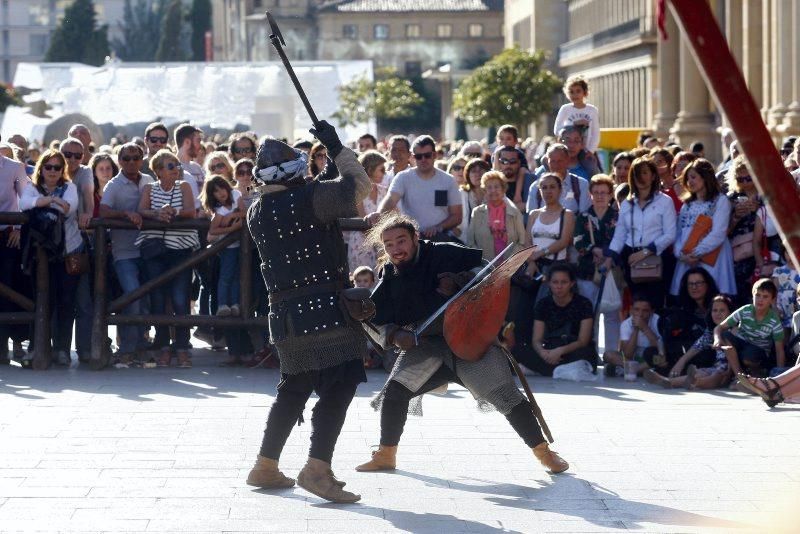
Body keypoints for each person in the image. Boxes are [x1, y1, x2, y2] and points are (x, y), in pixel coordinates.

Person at [355, 215, 568, 475]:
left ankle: (544, 453)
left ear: (415, 237)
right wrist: (395, 335)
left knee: (507, 396)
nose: (396, 249)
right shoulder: (389, 275)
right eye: (389, 245)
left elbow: (488, 270)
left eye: (401, 240)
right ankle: (386, 455)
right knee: (394, 393)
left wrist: (462, 278)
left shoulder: (445, 252)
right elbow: (373, 320)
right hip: (427, 344)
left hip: (469, 337)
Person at [244, 121, 370, 503]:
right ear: (296, 171)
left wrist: (328, 169)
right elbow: (360, 187)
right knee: (343, 380)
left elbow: (310, 200)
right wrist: (334, 145)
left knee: (295, 387)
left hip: (285, 317)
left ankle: (266, 465)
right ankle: (317, 468)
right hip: (326, 314)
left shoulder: (257, 211)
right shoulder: (313, 198)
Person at [135, 149, 198, 368]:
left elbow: (192, 210)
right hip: (156, 250)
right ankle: (163, 345)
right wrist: (156, 213)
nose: (176, 169)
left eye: (177, 165)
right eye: (171, 166)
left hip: (180, 249)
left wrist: (174, 212)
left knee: (181, 300)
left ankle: (182, 347)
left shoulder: (184, 186)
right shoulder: (149, 188)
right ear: (159, 171)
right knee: (158, 299)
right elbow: (142, 210)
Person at [20, 150, 82, 366]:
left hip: (67, 250)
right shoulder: (32, 187)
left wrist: (42, 202)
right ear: (42, 168)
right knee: (40, 301)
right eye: (49, 167)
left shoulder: (70, 187)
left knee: (66, 301)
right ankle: (36, 347)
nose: (53, 171)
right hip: (40, 254)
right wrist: (52, 199)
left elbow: (69, 207)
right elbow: (23, 204)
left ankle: (62, 348)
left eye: (57, 167)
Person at [98, 142, 152, 367]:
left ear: (142, 159)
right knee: (132, 296)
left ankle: (141, 345)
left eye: (135, 158)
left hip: (148, 250)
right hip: (124, 252)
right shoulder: (113, 185)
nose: (131, 162)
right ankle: (128, 348)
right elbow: (104, 210)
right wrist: (125, 214)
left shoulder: (149, 181)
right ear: (119, 161)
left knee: (147, 298)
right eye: (126, 158)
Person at [604, 157, 676, 310]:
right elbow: (620, 235)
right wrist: (610, 257)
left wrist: (645, 252)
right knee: (637, 305)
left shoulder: (665, 201)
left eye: (644, 173)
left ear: (653, 176)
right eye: (636, 173)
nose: (640, 177)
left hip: (657, 258)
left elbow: (670, 234)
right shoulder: (626, 204)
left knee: (656, 306)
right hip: (631, 258)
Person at [510, 262, 595, 376]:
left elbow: (583, 341)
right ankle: (559, 370)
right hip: (550, 350)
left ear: (572, 283)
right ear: (549, 283)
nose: (559, 286)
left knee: (587, 354)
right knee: (518, 350)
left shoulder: (584, 304)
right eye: (555, 282)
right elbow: (537, 339)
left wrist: (560, 351)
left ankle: (547, 370)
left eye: (563, 282)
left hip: (572, 350)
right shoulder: (543, 304)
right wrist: (543, 353)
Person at [372, 135, 462, 241]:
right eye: (419, 156)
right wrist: (378, 213)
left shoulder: (448, 180)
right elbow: (390, 200)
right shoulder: (403, 177)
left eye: (427, 155)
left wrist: (438, 227)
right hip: (412, 239)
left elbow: (456, 216)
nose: (423, 159)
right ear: (413, 157)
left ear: (434, 155)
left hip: (441, 237)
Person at [670, 158, 736, 297]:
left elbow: (718, 233)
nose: (690, 182)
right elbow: (678, 233)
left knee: (714, 295)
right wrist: (681, 254)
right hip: (687, 259)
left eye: (693, 177)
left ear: (705, 178)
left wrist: (697, 252)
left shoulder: (720, 201)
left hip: (713, 258)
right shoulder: (687, 204)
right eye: (688, 178)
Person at [573, 174, 621, 353]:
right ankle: (590, 352)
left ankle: (611, 354)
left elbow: (622, 240)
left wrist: (608, 256)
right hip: (587, 271)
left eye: (604, 192)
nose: (600, 196)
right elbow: (577, 240)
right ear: (590, 194)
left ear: (611, 195)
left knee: (612, 313)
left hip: (612, 270)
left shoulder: (618, 217)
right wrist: (594, 249)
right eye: (596, 192)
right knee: (588, 313)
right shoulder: (583, 216)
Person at [650, 295, 735, 389]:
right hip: (716, 368)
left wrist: (729, 373)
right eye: (715, 310)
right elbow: (697, 346)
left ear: (730, 313)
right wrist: (680, 362)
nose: (718, 314)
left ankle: (693, 383)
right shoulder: (711, 330)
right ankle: (667, 381)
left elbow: (735, 354)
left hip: (731, 371)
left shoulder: (734, 330)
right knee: (700, 372)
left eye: (722, 310)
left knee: (716, 376)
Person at [714, 278, 786, 376]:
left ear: (772, 300)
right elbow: (719, 328)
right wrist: (717, 340)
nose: (760, 299)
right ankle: (739, 375)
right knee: (725, 335)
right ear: (753, 295)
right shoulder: (745, 310)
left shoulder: (774, 321)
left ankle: (755, 375)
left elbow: (779, 350)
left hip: (758, 353)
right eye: (757, 295)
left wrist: (780, 375)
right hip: (741, 347)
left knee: (749, 355)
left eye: (765, 297)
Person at [0, 144, 32, 363]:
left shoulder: (14, 167)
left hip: (6, 236)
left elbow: (27, 202)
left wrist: (20, 230)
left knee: (7, 288)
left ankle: (5, 345)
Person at [202, 175, 245, 318]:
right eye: (216, 191)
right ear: (212, 195)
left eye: (222, 188)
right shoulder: (219, 212)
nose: (221, 193)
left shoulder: (236, 194)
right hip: (228, 247)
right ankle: (222, 304)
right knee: (227, 276)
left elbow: (245, 211)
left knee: (237, 276)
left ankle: (234, 304)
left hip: (241, 244)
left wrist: (232, 217)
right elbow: (213, 231)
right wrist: (232, 229)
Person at [465, 171, 528, 261]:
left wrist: (510, 261)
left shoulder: (514, 212)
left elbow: (522, 241)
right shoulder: (477, 212)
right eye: (489, 187)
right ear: (485, 191)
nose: (493, 190)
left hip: (510, 265)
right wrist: (481, 262)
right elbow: (470, 242)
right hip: (484, 266)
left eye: (496, 187)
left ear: (503, 189)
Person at [726, 155, 761, 306]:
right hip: (739, 255)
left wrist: (760, 210)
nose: (745, 183)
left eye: (748, 178)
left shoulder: (765, 196)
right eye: (740, 180)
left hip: (761, 250)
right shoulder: (731, 198)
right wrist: (735, 217)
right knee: (741, 294)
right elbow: (724, 231)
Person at [346, 150, 388, 272]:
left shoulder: (384, 191)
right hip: (362, 243)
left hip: (382, 243)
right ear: (370, 170)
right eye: (381, 169)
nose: (384, 173)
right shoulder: (357, 191)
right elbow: (363, 219)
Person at [603, 295, 662, 378]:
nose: (640, 314)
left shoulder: (658, 321)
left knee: (661, 359)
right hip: (633, 360)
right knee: (608, 355)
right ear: (631, 310)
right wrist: (636, 330)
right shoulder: (626, 324)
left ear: (652, 312)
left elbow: (660, 349)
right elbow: (627, 354)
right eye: (637, 310)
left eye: (645, 311)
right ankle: (639, 371)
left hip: (651, 359)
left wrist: (645, 327)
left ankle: (631, 370)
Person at [526, 143, 590, 214]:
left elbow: (584, 215)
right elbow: (531, 217)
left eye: (560, 161)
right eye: (553, 161)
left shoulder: (581, 185)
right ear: (548, 162)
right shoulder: (536, 187)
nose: (556, 165)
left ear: (568, 160)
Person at [554, 75, 600, 155]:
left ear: (585, 92)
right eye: (571, 92)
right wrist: (573, 125)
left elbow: (595, 133)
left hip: (586, 151)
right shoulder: (565, 109)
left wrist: (590, 151)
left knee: (591, 167)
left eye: (578, 91)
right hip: (568, 151)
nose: (575, 95)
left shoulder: (592, 110)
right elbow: (557, 130)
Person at [458, 158, 490, 237]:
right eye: (473, 171)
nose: (477, 174)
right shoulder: (462, 193)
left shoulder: (495, 193)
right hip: (465, 240)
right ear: (467, 175)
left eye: (481, 170)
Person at [174, 123, 205, 189]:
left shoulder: (197, 168)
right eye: (198, 141)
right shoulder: (172, 167)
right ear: (187, 142)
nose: (200, 146)